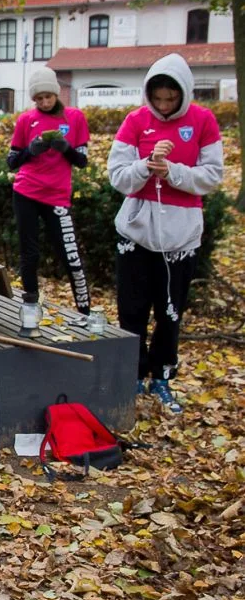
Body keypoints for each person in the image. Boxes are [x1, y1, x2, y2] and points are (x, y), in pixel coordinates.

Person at [107, 53, 224, 413]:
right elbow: (118, 175)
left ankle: (162, 377)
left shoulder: (203, 121)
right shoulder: (134, 121)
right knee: (131, 310)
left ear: (183, 94)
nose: (163, 106)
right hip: (137, 232)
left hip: (180, 236)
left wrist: (173, 172)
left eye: (170, 99)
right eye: (157, 99)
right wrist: (145, 166)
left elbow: (212, 176)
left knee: (170, 312)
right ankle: (132, 375)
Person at [6, 67, 92, 317]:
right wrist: (30, 150)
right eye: (39, 98)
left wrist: (65, 148)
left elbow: (82, 161)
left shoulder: (75, 118)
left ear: (57, 94)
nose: (44, 102)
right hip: (26, 192)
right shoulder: (26, 120)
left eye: (48, 97)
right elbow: (12, 161)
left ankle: (85, 310)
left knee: (70, 253)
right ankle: (31, 307)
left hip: (57, 197)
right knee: (29, 252)